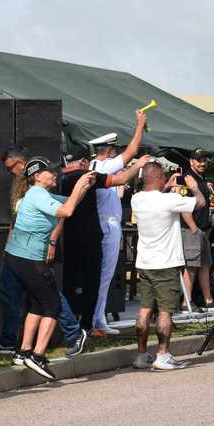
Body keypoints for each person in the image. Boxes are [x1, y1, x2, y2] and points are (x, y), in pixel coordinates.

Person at [5, 158, 97, 381]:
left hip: (19, 257)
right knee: (52, 305)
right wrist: (78, 185)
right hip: (29, 259)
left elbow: (70, 202)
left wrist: (85, 185)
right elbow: (66, 211)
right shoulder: (37, 195)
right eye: (50, 172)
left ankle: (24, 351)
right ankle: (37, 355)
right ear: (37, 176)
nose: (55, 174)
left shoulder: (40, 194)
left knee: (38, 303)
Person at [129, 162, 204, 371]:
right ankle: (163, 355)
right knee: (165, 312)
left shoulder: (137, 199)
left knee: (144, 310)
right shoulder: (170, 200)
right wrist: (194, 186)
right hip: (167, 263)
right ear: (160, 178)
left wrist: (166, 187)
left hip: (144, 263)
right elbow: (200, 203)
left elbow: (155, 195)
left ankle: (141, 355)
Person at [88, 111, 147, 335]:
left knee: (103, 275)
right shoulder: (103, 168)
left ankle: (98, 317)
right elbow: (132, 151)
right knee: (104, 275)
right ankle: (98, 320)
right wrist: (139, 125)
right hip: (107, 225)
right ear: (110, 151)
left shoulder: (96, 167)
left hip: (104, 223)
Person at [180, 149, 214, 310]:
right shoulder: (187, 178)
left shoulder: (201, 178)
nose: (203, 163)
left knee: (205, 265)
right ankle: (186, 302)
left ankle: (208, 300)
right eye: (199, 160)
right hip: (192, 229)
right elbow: (183, 207)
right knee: (191, 266)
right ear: (191, 161)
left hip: (203, 227)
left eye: (205, 160)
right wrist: (194, 228)